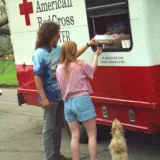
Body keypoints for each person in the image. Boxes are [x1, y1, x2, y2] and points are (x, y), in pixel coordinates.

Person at [32, 22, 97, 160]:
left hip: (62, 96)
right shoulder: (39, 53)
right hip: (49, 97)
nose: (59, 36)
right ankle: (50, 157)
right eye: (57, 34)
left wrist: (88, 44)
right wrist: (43, 98)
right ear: (50, 35)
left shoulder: (57, 49)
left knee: (57, 128)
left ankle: (57, 154)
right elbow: (37, 76)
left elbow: (72, 55)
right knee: (49, 129)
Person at [56, 41, 102, 160]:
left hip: (68, 103)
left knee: (75, 136)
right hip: (82, 100)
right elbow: (92, 72)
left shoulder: (59, 68)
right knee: (92, 135)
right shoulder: (81, 65)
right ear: (74, 51)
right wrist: (96, 55)